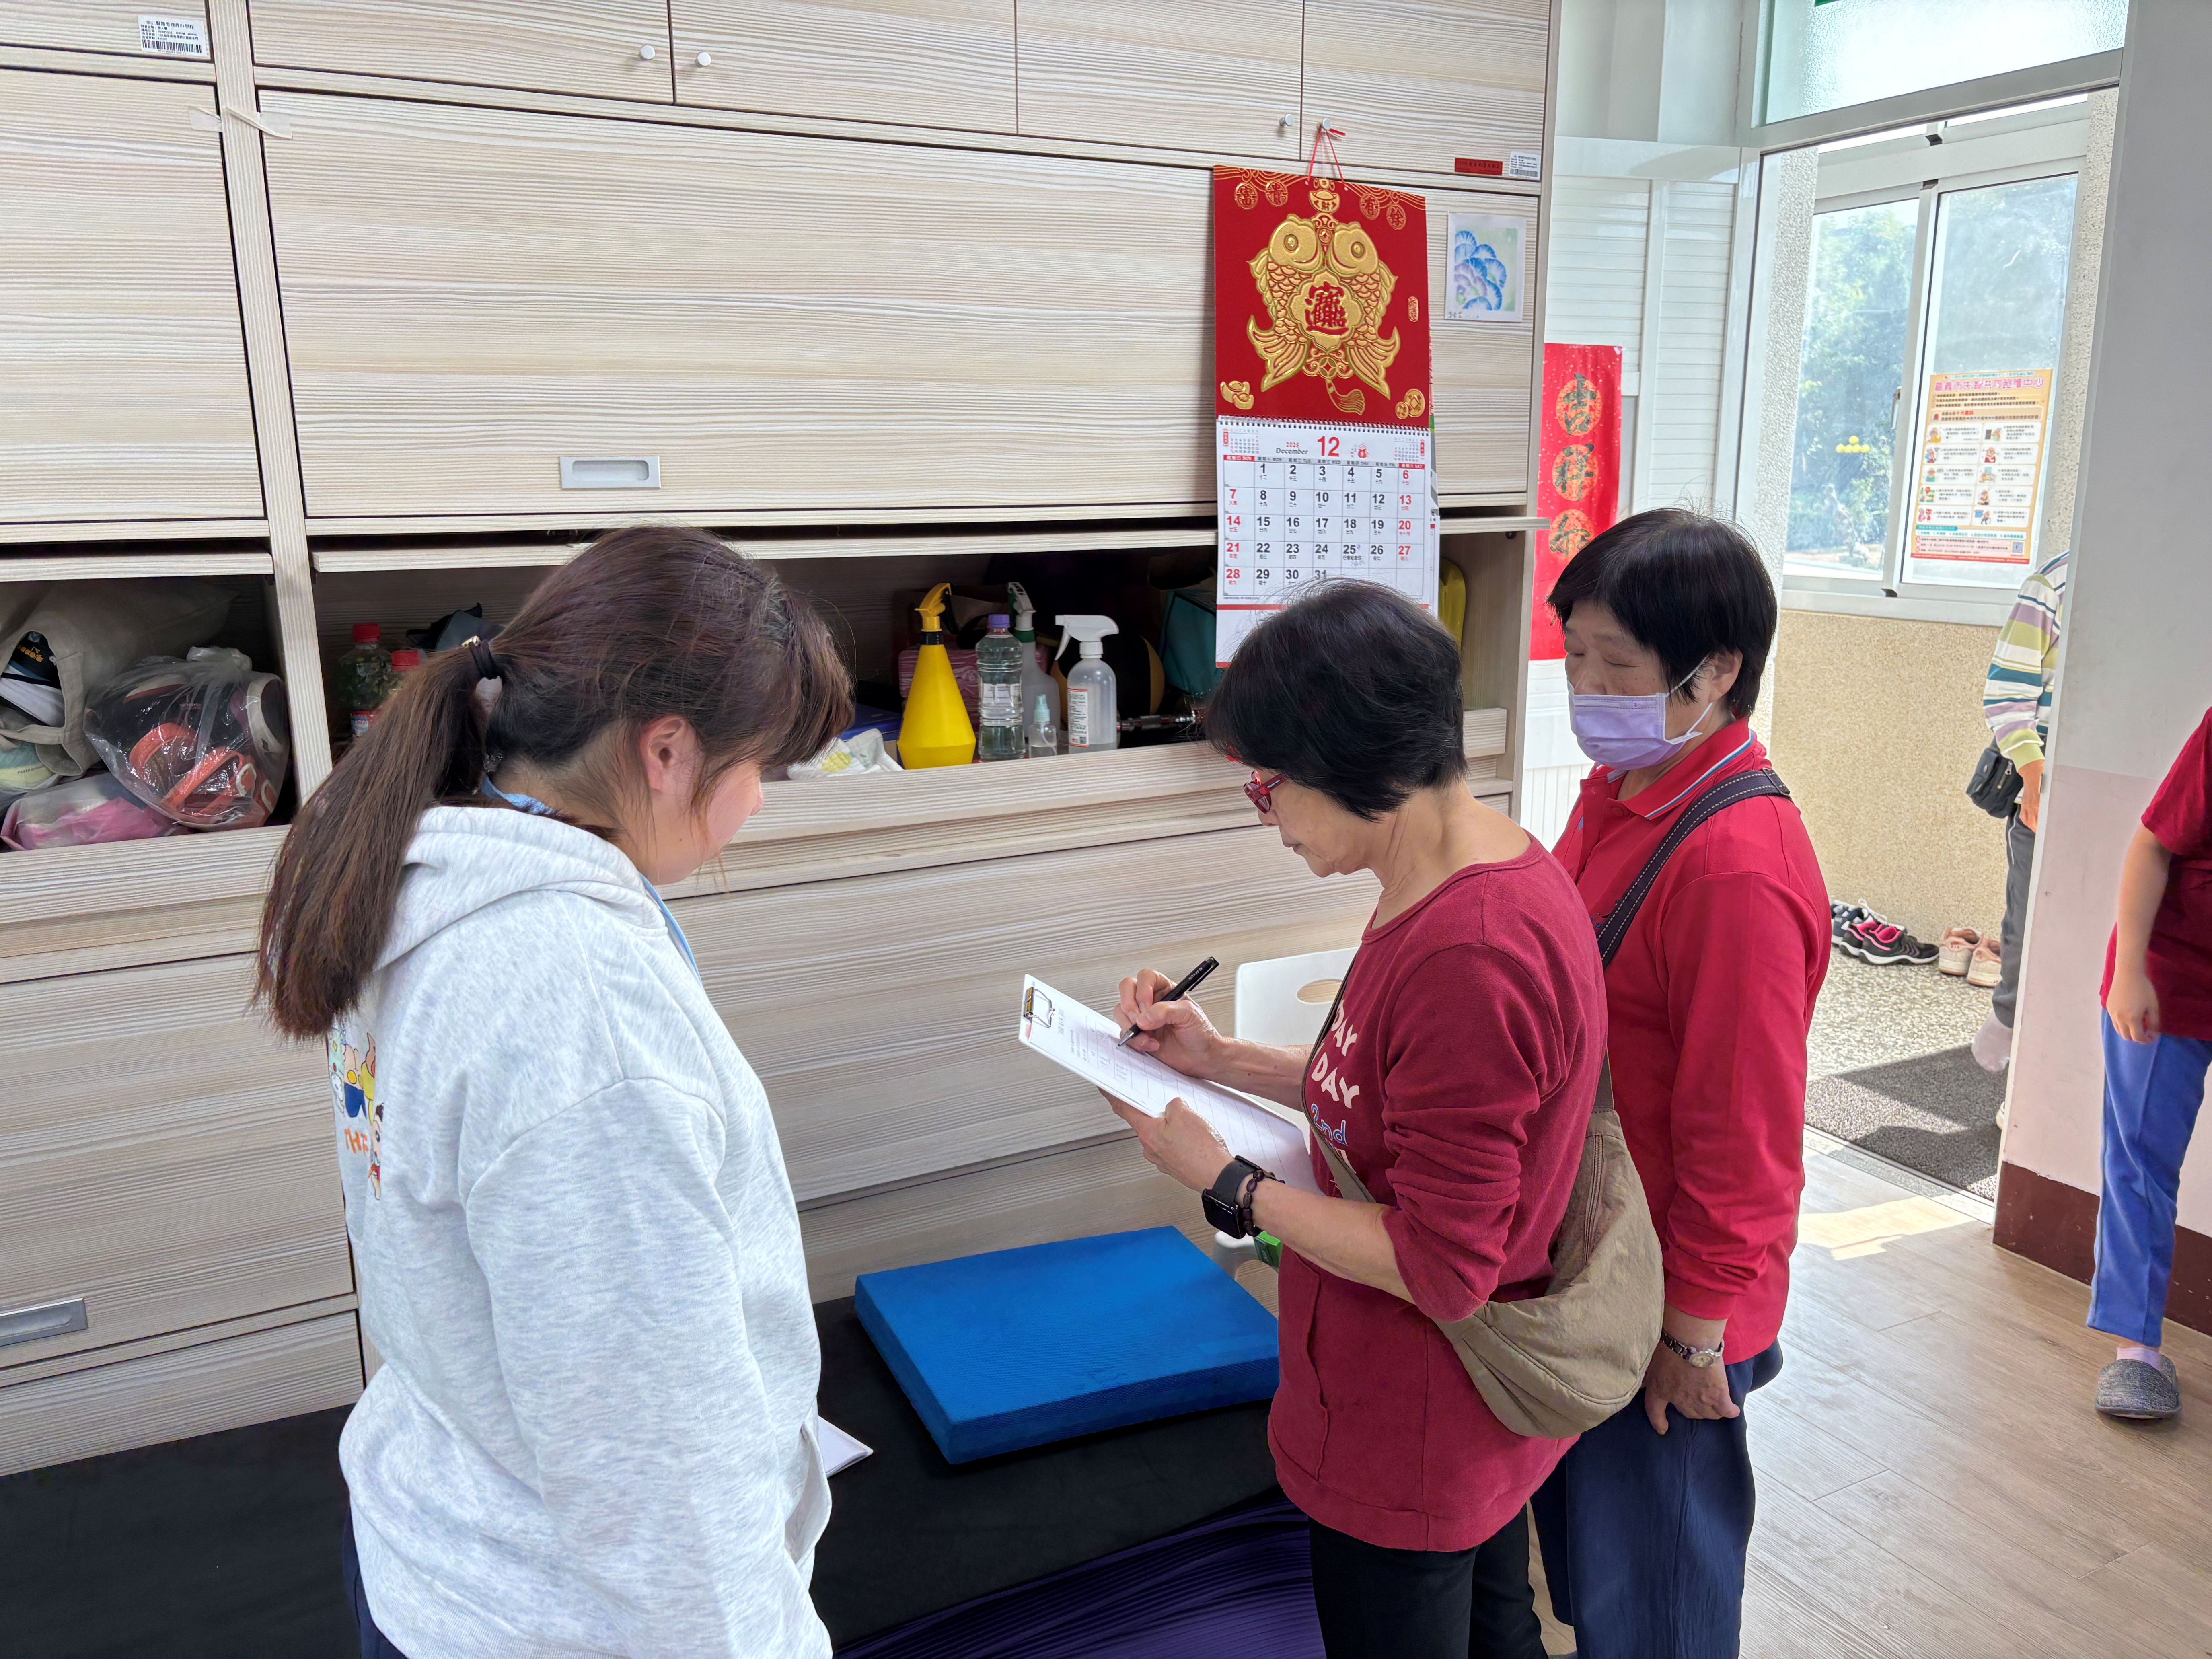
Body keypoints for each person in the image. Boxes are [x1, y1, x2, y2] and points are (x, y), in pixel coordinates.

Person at [255, 527, 852, 1659]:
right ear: (667, 751)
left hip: (440, 1537)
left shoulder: (424, 866)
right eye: (759, 770)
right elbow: (654, 1466)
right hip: (559, 1617)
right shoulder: (577, 1002)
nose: (757, 805)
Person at [1108, 582, 1607, 1659]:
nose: (1266, 814)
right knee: (1497, 1628)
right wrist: (1220, 1058)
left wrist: (1226, 1177)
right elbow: (1390, 1097)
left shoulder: (1469, 952)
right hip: (1446, 1416)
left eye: (1269, 784)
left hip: (1415, 1423)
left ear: (1348, 756)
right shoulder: (1466, 869)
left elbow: (1444, 1265)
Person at [1532, 509, 1828, 1659]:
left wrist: (1692, 1336)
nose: (1585, 687)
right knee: (1596, 1584)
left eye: (1615, 664)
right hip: (1603, 1263)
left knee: (1653, 1608)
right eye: (1574, 657)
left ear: (1714, 673)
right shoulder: (1620, 788)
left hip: (1674, 1305)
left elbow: (1744, 1136)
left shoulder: (1733, 863)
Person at [2091, 703, 2212, 1421]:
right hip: (2169, 975)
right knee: (2141, 1158)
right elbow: (2151, 844)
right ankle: (2135, 1351)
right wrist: (2130, 971)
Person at [1974, 544, 2070, 1071]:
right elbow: (2008, 692)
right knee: (2030, 917)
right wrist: (2034, 777)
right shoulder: (2054, 583)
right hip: (2045, 784)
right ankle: (2009, 1031)